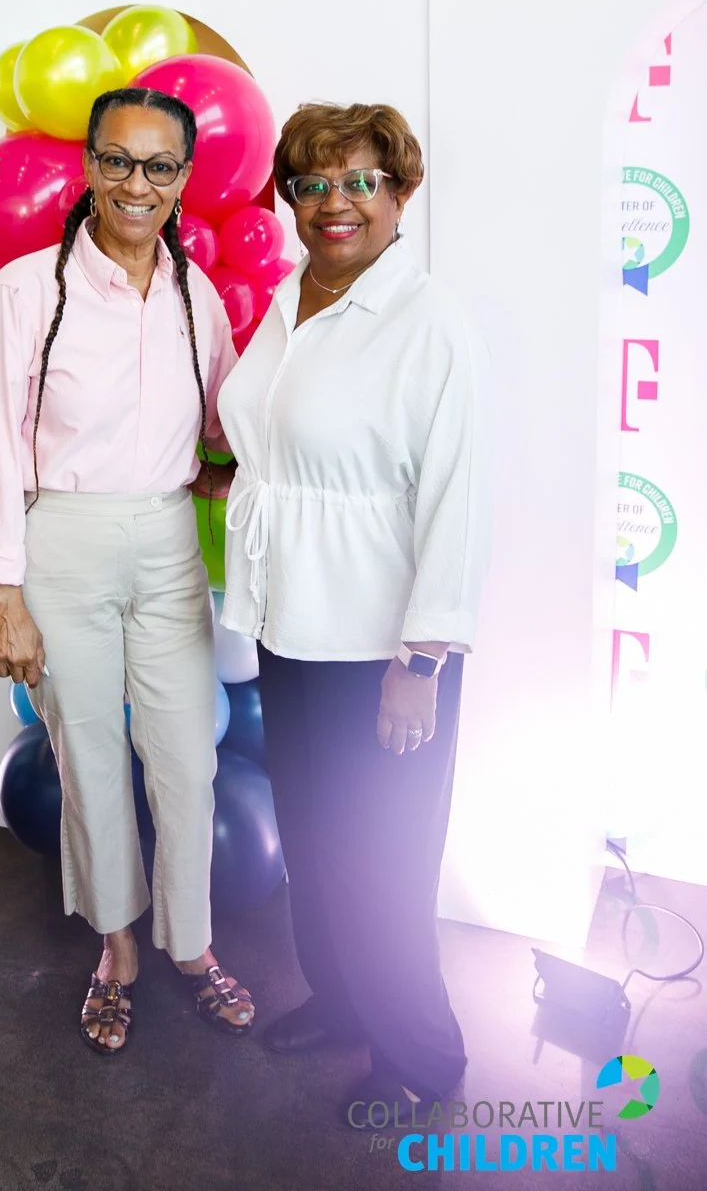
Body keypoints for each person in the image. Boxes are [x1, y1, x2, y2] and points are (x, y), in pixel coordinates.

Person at [0, 86, 255, 1056]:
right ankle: (117, 951)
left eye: (159, 165)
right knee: (89, 759)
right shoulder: (25, 291)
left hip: (167, 537)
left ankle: (191, 943)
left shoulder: (194, 296)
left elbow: (221, 427)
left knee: (185, 758)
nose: (137, 183)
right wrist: (4, 595)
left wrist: (251, 464)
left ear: (183, 177)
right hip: (62, 540)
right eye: (118, 161)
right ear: (89, 165)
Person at [217, 102, 491, 1119]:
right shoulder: (293, 297)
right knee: (315, 841)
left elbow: (457, 499)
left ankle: (418, 1057)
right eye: (311, 184)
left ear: (400, 193)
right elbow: (282, 443)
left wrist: (420, 662)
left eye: (359, 181)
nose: (334, 202)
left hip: (381, 648)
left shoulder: (428, 323)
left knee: (382, 866)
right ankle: (340, 1003)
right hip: (291, 624)